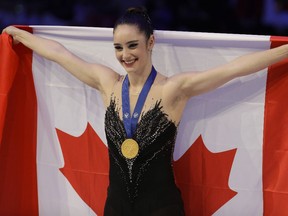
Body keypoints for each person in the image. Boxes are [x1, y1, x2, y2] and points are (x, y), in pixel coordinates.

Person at [2, 6, 288, 216]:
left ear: (150, 43)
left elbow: (233, 69)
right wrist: (20, 35)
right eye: (118, 47)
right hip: (115, 207)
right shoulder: (108, 84)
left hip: (161, 208)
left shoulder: (173, 90)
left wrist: (283, 51)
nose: (125, 54)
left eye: (132, 45)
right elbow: (60, 54)